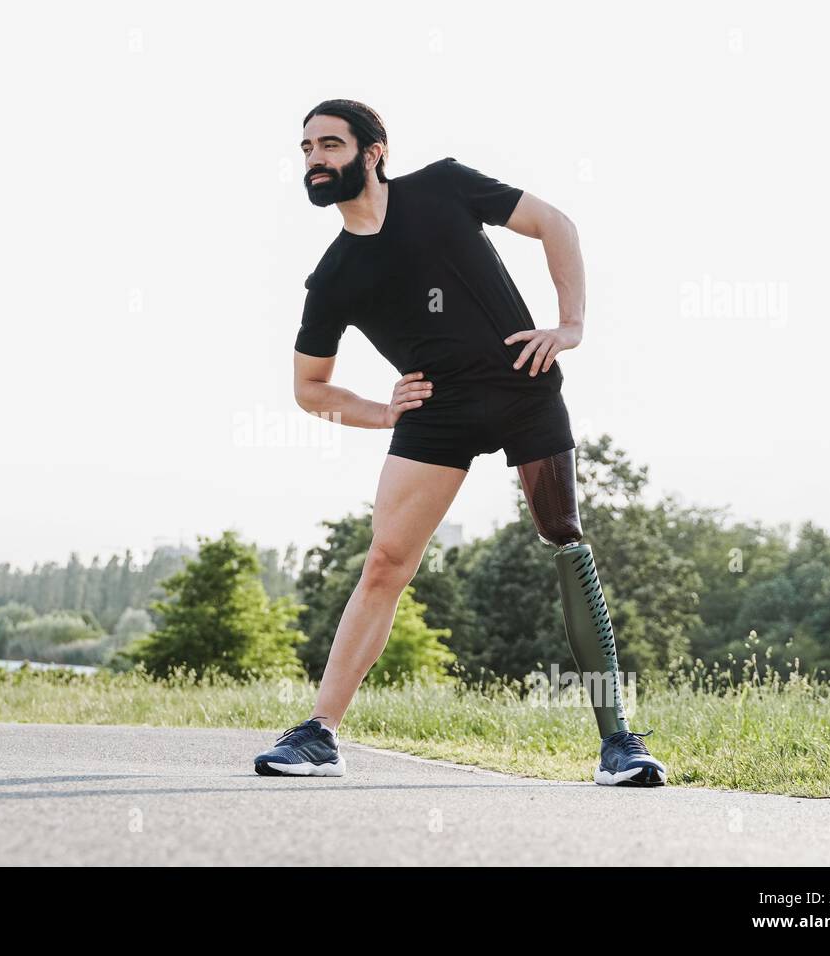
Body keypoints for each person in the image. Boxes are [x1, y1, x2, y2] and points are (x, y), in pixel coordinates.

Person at [253, 99, 666, 787]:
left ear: (374, 151)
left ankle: (618, 740)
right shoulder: (332, 278)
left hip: (521, 385)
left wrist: (570, 325)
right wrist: (382, 413)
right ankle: (319, 735)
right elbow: (311, 389)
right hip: (435, 413)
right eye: (306, 149)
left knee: (564, 536)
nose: (316, 159)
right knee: (386, 561)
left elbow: (553, 224)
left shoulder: (443, 187)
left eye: (329, 144)